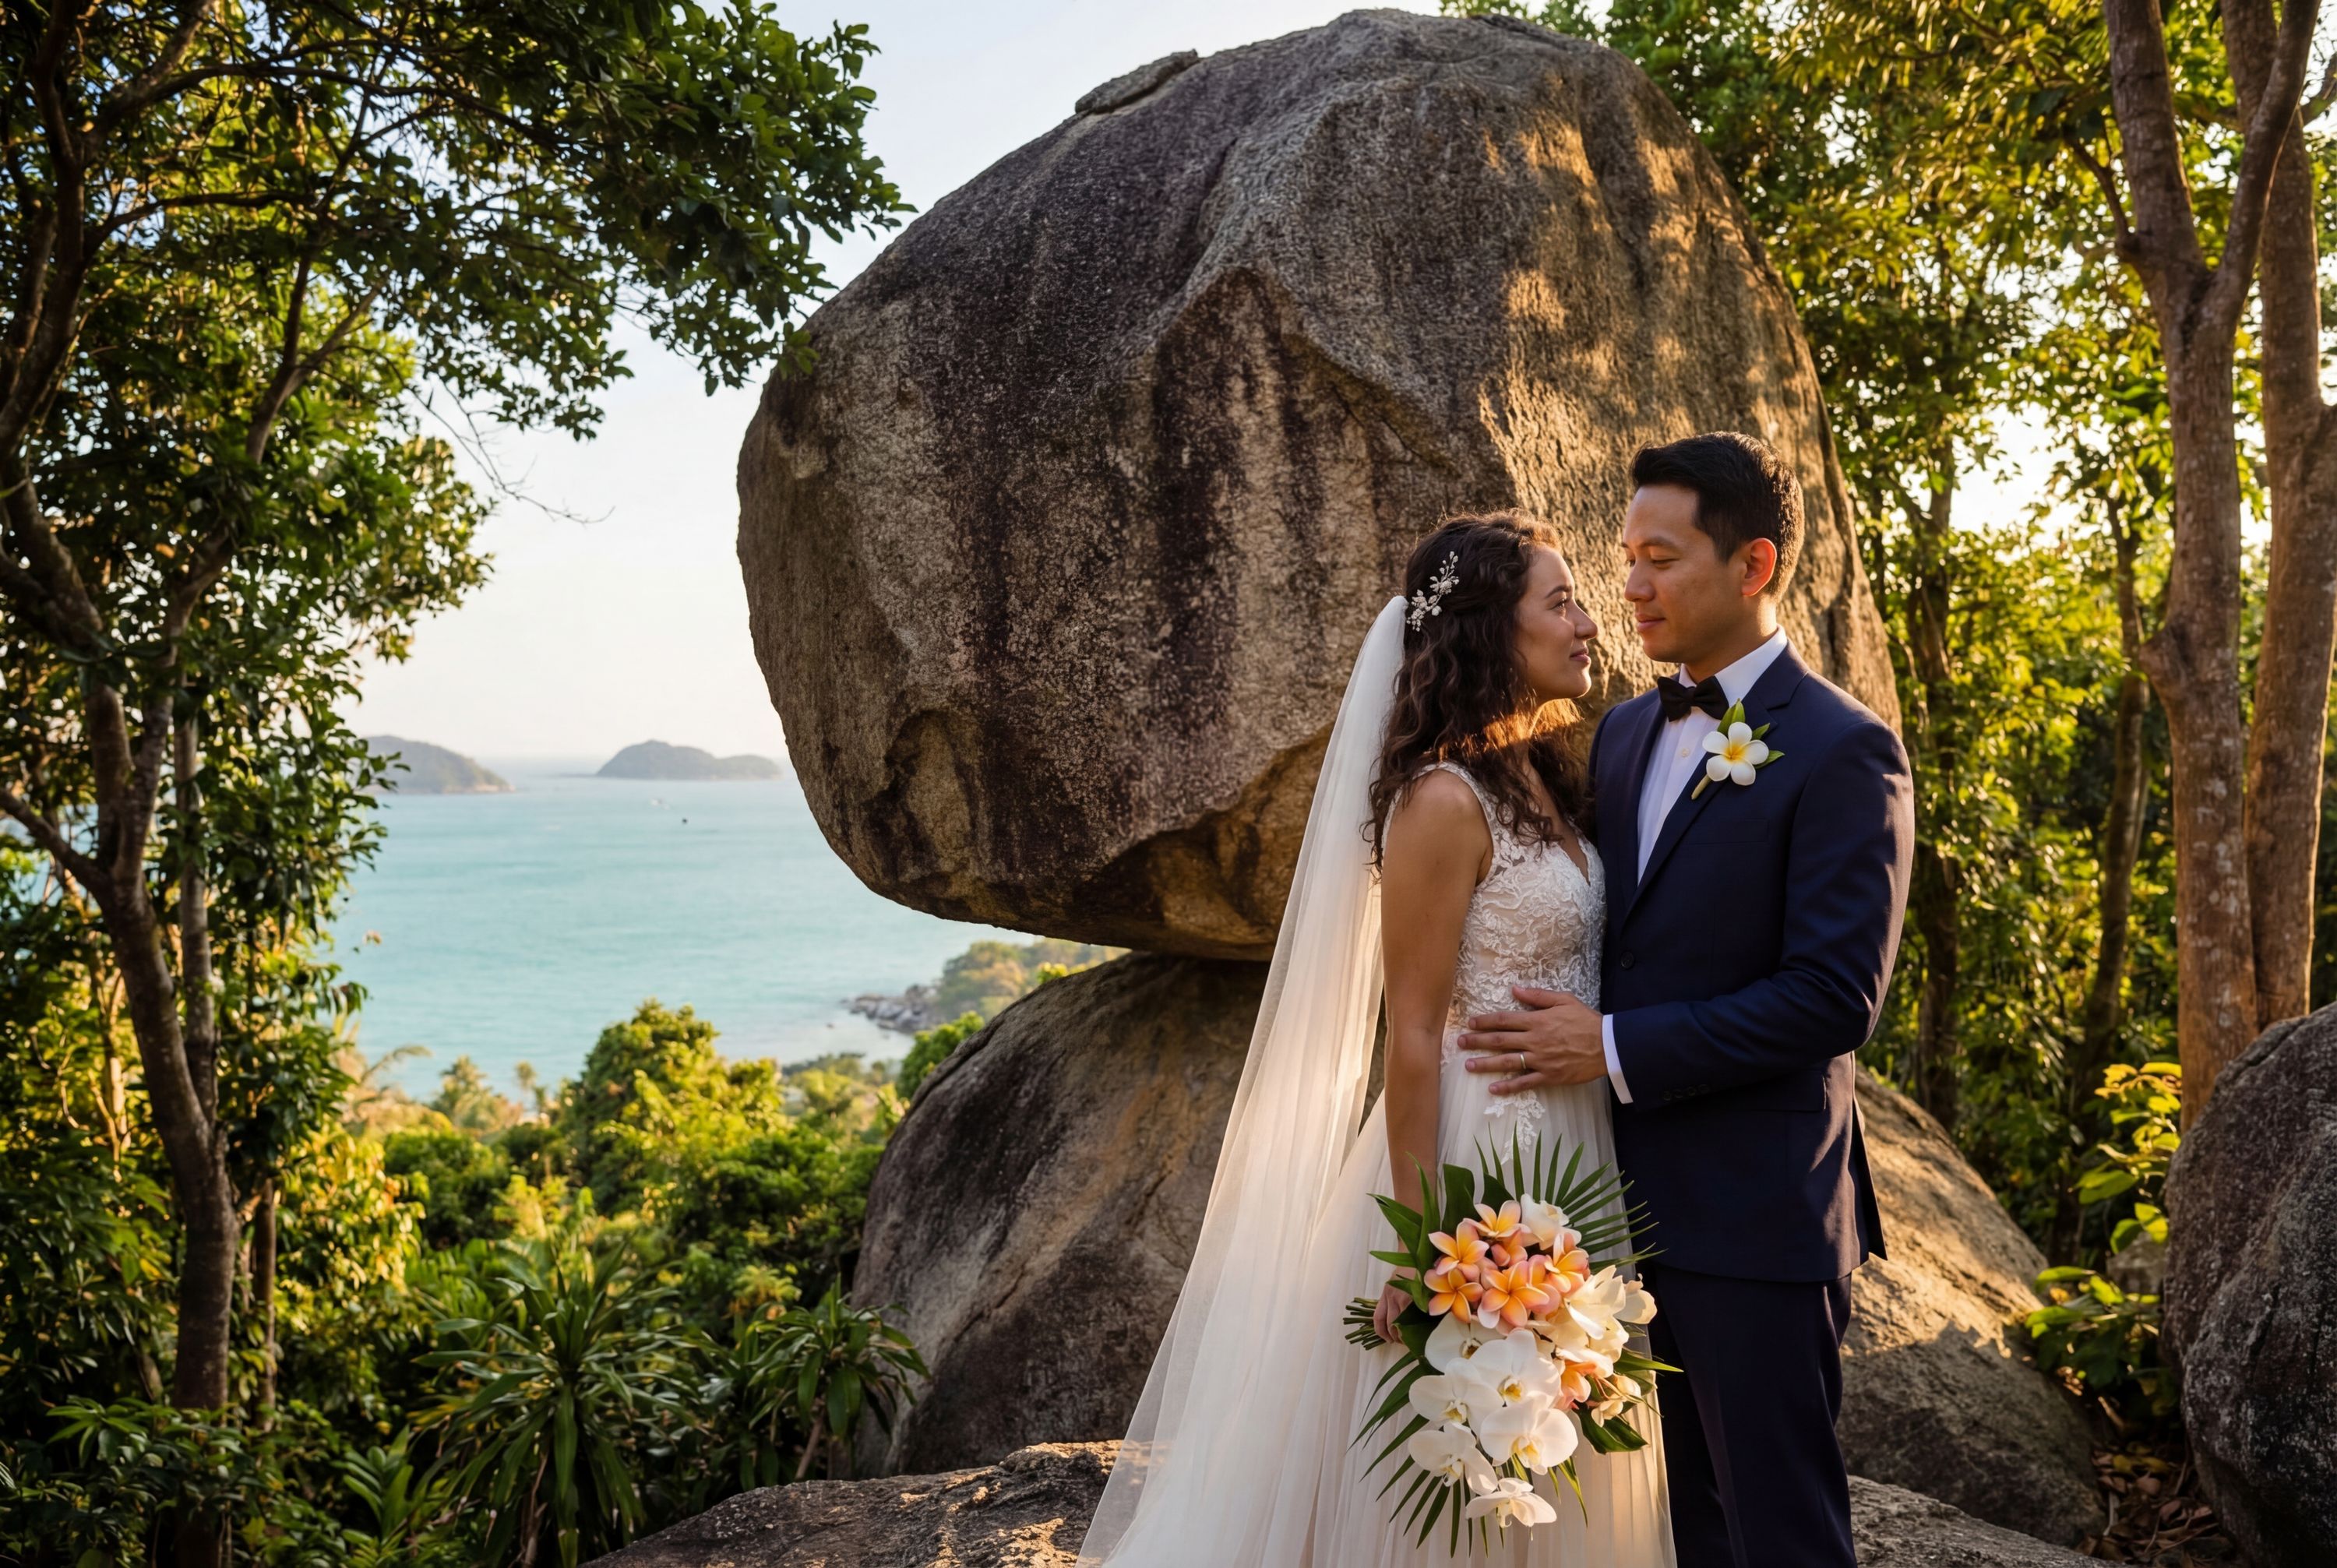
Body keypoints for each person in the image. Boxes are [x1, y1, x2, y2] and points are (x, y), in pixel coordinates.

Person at [1077, 511, 1674, 1567]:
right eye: (1561, 600)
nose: (1591, 621)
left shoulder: (1541, 777)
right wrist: (1423, 1237)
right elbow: (1410, 1030)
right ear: (1495, 631)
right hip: (1480, 1156)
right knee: (1460, 1456)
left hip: (1573, 1146)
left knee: (1555, 1436)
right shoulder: (1442, 799)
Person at [1456, 432, 1914, 1568]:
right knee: (1674, 1533)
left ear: (1753, 565)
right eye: (1625, 555)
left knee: (1781, 1533)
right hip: (1600, 1218)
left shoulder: (1848, 751)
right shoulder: (1618, 731)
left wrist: (1608, 1045)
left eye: (1660, 556)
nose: (1631, 584)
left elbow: (1834, 997)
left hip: (1756, 1215)